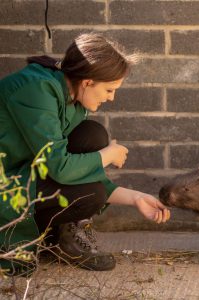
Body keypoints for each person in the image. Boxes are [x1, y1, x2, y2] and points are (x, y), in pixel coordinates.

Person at [0, 32, 170, 276]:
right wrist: (108, 155)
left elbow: (80, 170)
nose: (111, 98)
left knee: (92, 136)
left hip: (23, 176)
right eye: (110, 90)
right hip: (5, 185)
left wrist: (135, 198)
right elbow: (59, 166)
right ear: (88, 82)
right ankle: (21, 239)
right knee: (91, 191)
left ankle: (57, 238)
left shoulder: (73, 99)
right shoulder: (36, 89)